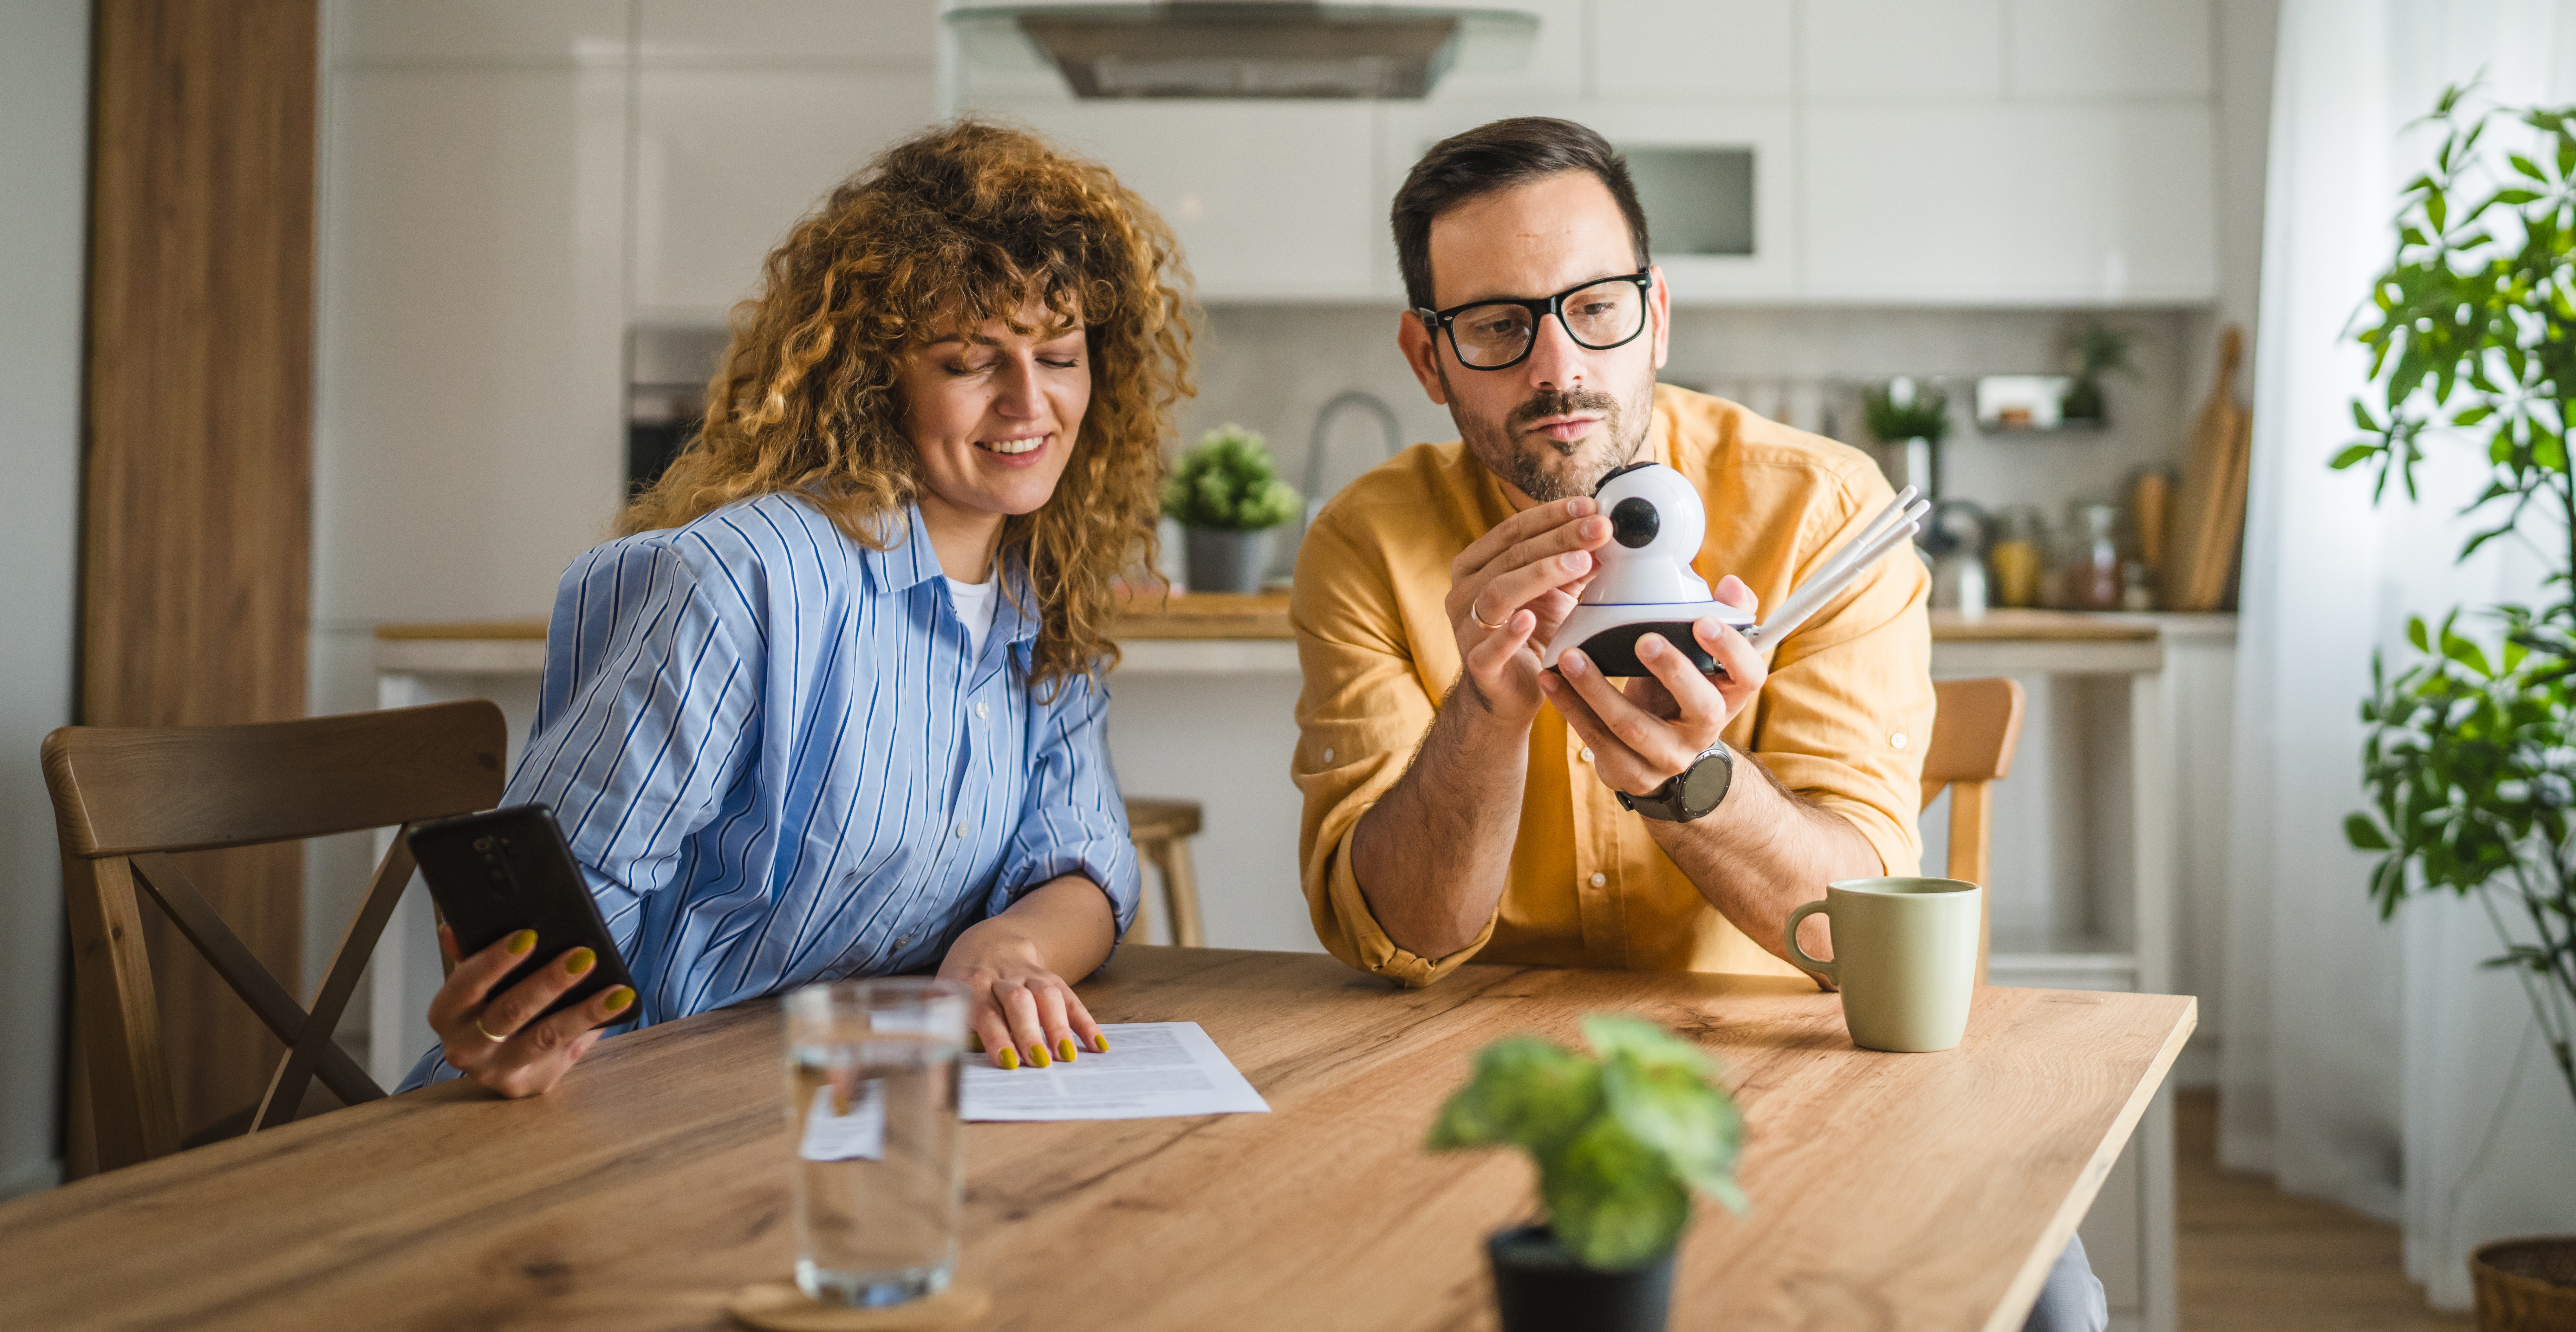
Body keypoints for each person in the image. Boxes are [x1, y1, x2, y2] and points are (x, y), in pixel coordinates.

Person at [1289, 116, 2105, 1332]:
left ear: (1655, 315)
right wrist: (1487, 714)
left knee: (2045, 1306)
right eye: (1499, 325)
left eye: (1596, 308)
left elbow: (1862, 933)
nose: (1557, 367)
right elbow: (1388, 939)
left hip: (1793, 1081)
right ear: (1427, 356)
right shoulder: (1369, 543)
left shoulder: (1821, 514)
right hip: (1499, 1103)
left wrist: (1696, 784)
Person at [402, 119, 1192, 1097]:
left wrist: (1006, 946)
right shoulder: (743, 580)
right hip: (609, 1115)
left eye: (1059, 355)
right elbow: (546, 927)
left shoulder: (1040, 597)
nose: (1028, 402)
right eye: (969, 360)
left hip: (843, 1116)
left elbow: (1086, 865)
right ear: (878, 377)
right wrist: (506, 1025)